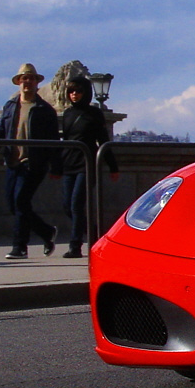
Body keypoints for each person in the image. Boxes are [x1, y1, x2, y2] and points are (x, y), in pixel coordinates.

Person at [0, 62, 61, 260]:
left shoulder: (44, 110)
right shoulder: (10, 106)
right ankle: (46, 232)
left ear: (37, 83)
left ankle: (19, 247)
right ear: (18, 82)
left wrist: (56, 166)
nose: (27, 82)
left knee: (20, 201)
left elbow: (54, 141)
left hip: (33, 163)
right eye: (23, 78)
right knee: (14, 204)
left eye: (31, 78)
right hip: (12, 161)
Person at [60, 76, 119, 258]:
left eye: (78, 91)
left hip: (87, 162)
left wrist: (112, 166)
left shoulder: (93, 113)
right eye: (71, 91)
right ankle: (94, 234)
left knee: (77, 204)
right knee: (67, 206)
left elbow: (103, 141)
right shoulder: (68, 113)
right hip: (69, 162)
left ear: (86, 93)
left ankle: (75, 245)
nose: (74, 95)